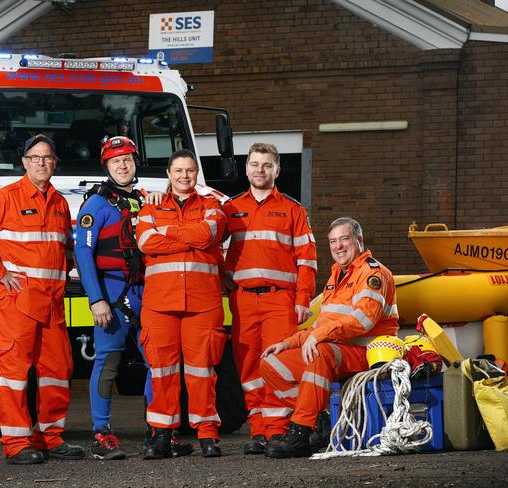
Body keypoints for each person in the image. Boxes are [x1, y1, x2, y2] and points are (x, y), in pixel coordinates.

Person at [0, 134, 84, 464]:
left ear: (54, 163)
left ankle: (50, 438)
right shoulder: (4, 197)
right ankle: (17, 445)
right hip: (15, 303)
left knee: (58, 371)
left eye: (47, 157)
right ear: (25, 162)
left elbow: (64, 251)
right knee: (13, 375)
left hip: (52, 305)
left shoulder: (59, 203)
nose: (41, 163)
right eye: (35, 157)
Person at [74, 136, 192, 460]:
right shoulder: (96, 205)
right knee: (108, 362)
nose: (123, 166)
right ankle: (101, 434)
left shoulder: (145, 200)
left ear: (135, 162)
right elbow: (82, 251)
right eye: (116, 162)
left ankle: (158, 432)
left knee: (160, 362)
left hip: (147, 295)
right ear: (107, 167)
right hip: (111, 296)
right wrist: (95, 299)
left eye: (127, 159)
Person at [259, 217, 399, 458]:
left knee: (320, 352)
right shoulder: (337, 277)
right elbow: (323, 325)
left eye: (344, 239)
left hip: (368, 355)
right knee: (272, 363)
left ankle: (300, 431)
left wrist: (319, 337)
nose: (338, 246)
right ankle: (321, 422)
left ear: (359, 240)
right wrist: (288, 343)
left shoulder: (373, 274)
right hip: (338, 352)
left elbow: (363, 321)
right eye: (333, 241)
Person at [222, 142, 317, 455]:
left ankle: (277, 430)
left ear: (277, 170)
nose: (259, 170)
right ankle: (258, 430)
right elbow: (208, 244)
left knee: (276, 365)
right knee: (248, 367)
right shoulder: (231, 208)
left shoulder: (293, 210)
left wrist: (303, 300)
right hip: (244, 301)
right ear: (246, 167)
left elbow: (307, 259)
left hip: (280, 301)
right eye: (254, 164)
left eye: (266, 165)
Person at [136, 149, 228, 459]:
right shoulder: (150, 207)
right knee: (162, 372)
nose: (184, 176)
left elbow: (211, 233)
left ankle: (207, 435)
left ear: (196, 174)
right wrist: (191, 236)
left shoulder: (213, 205)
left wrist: (169, 235)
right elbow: (146, 242)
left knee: (202, 372)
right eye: (178, 171)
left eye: (190, 171)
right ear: (169, 173)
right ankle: (162, 436)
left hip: (202, 303)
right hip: (160, 304)